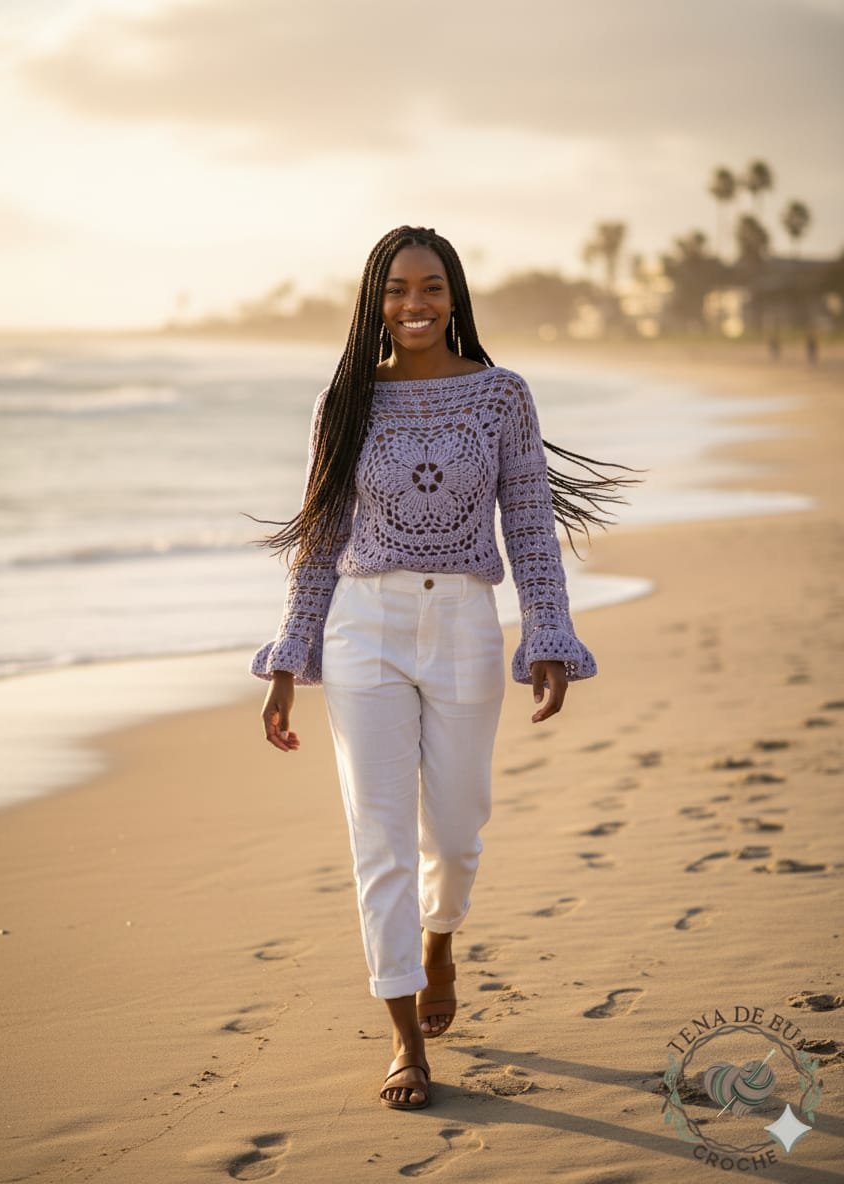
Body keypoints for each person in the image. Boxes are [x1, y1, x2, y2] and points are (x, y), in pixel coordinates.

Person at [249, 226, 634, 1111]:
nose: (411, 305)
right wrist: (289, 654)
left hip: (462, 621)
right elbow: (320, 538)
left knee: (457, 830)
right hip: (364, 629)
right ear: (372, 301)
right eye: (394, 290)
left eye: (428, 287)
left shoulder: (501, 397)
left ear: (454, 295)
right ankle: (402, 1044)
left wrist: (549, 636)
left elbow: (531, 524)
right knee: (378, 837)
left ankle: (439, 942)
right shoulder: (345, 400)